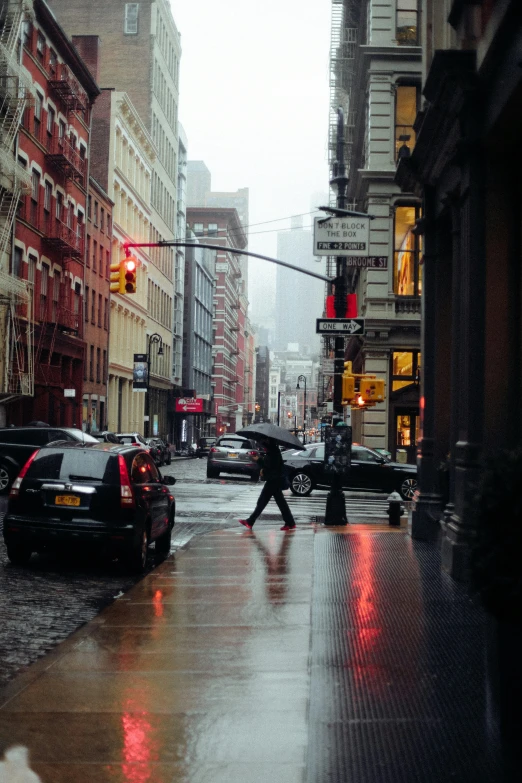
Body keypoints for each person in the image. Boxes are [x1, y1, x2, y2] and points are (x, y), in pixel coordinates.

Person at [239, 437, 296, 531]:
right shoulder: (274, 450)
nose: (263, 445)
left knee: (262, 501)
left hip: (273, 481)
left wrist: (258, 460)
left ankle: (250, 521)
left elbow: (269, 465)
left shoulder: (273, 452)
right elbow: (271, 465)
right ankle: (290, 523)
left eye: (264, 443)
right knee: (281, 503)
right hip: (275, 480)